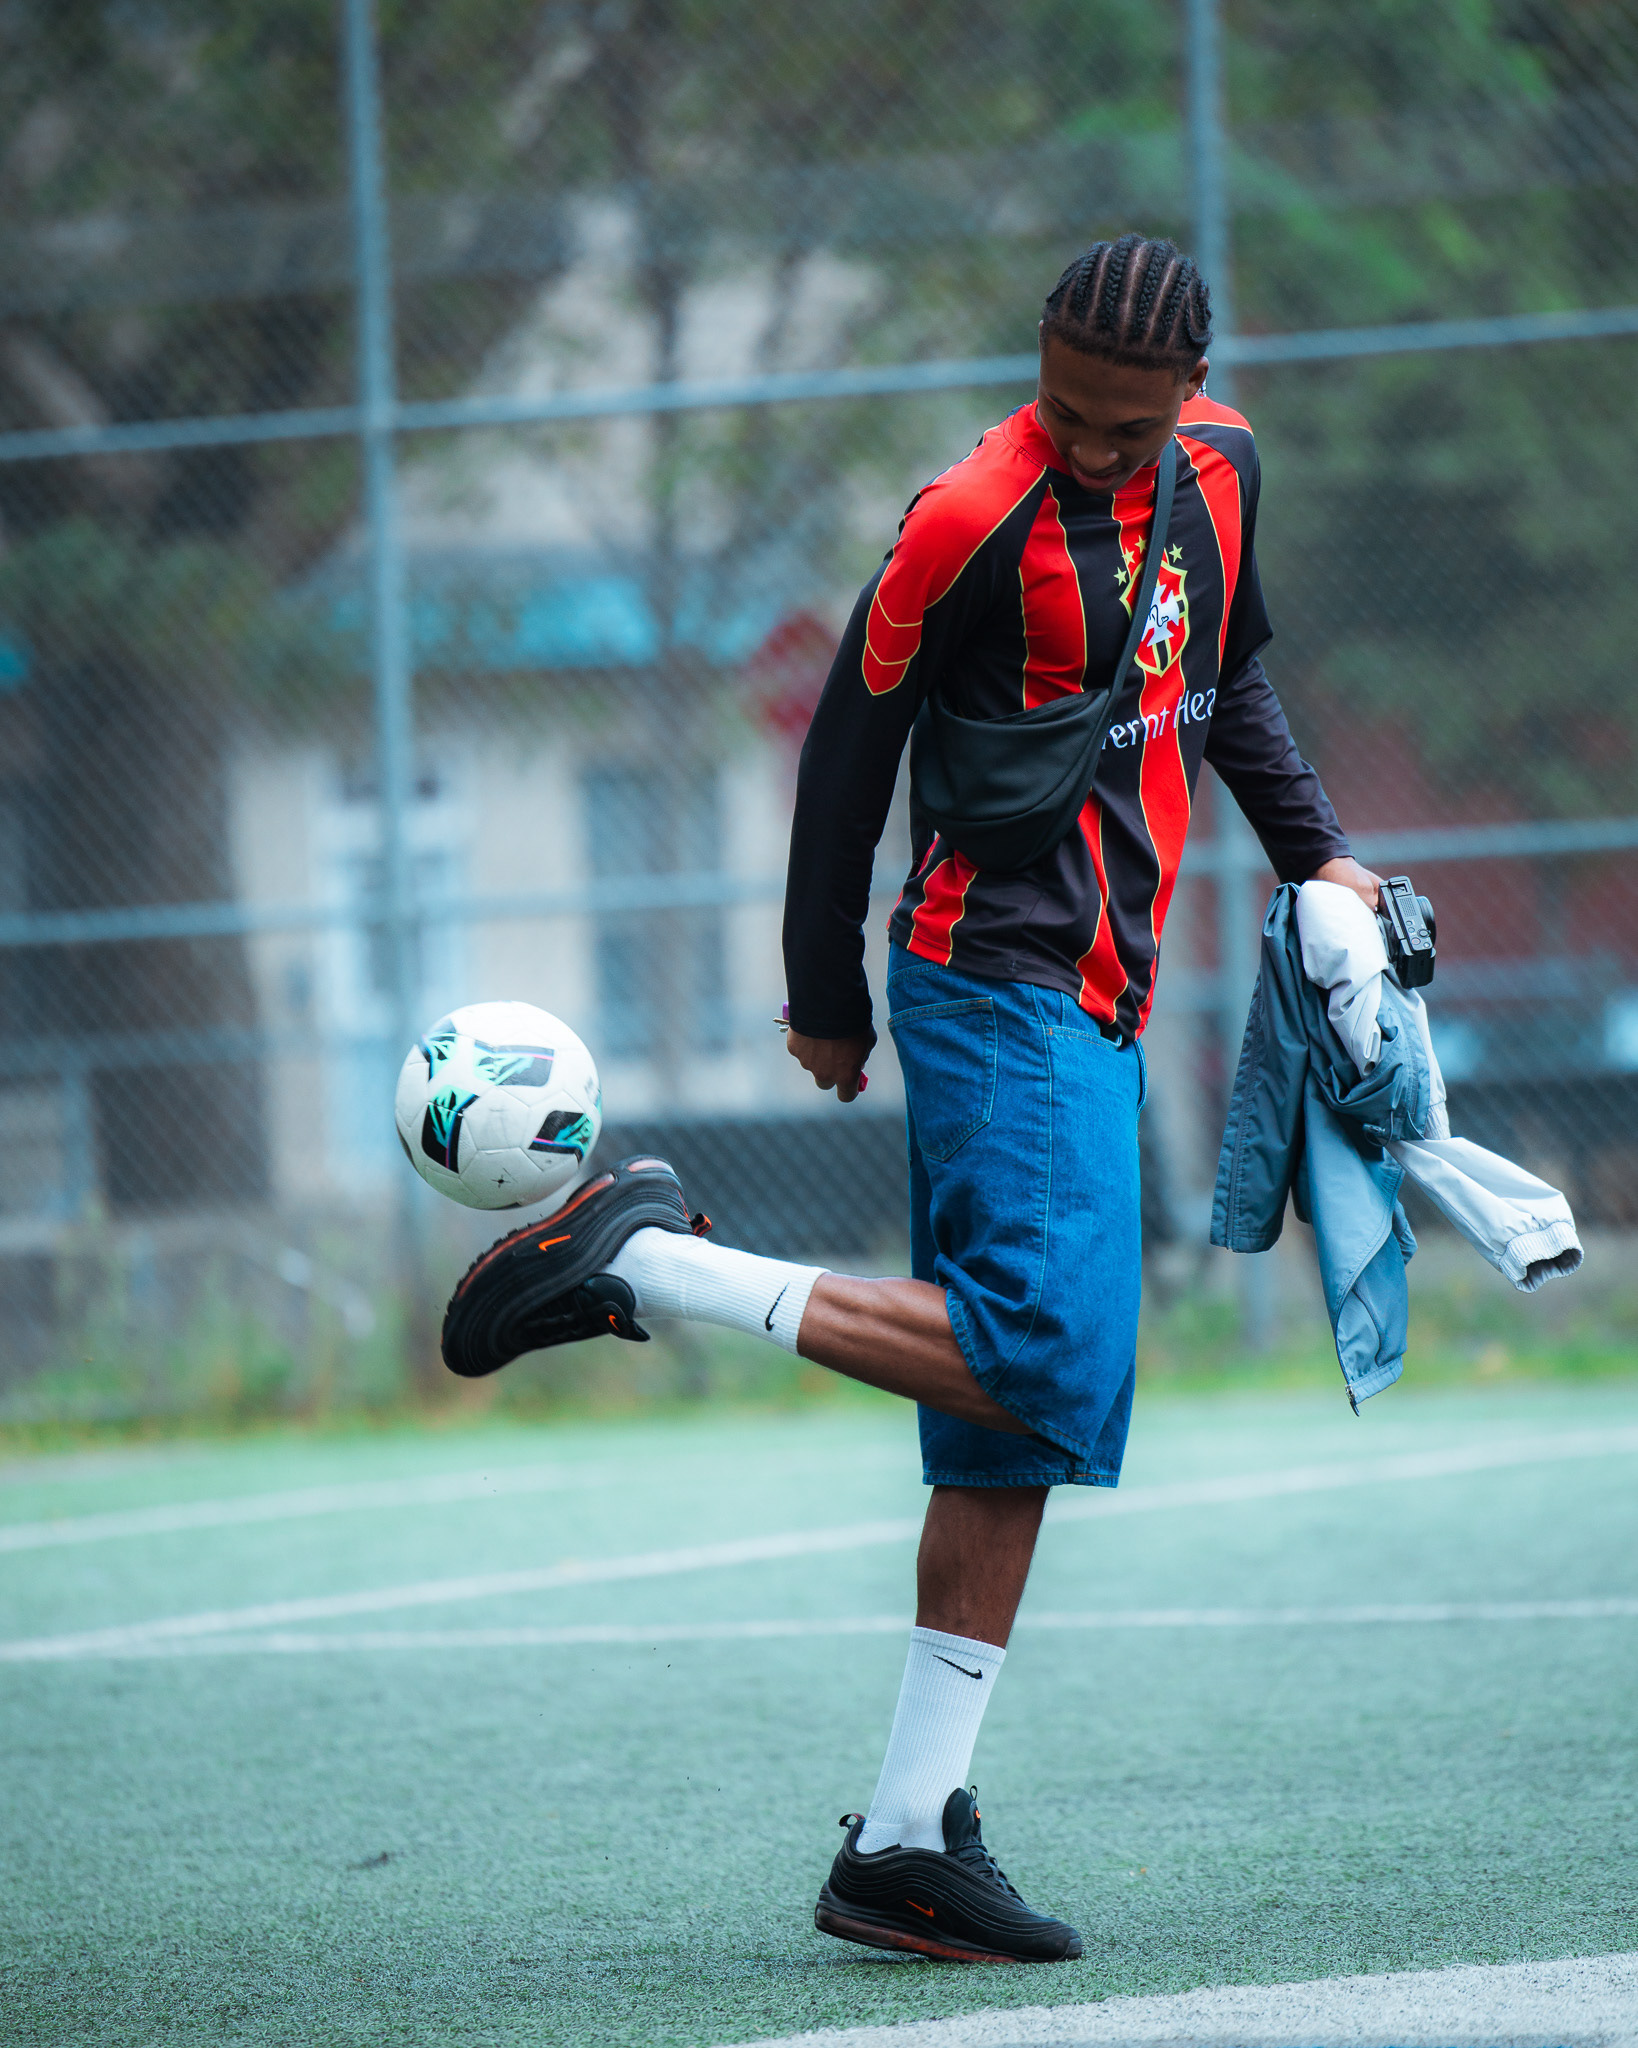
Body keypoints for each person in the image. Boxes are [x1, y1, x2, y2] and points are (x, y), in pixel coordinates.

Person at [442, 232, 1381, 1965]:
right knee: (1043, 1357)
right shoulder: (964, 519)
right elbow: (844, 756)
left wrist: (1318, 855)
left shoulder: (1224, 469)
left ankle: (897, 1842)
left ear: (1190, 392)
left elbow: (1224, 673)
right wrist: (825, 996)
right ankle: (643, 1263)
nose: (1086, 447)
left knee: (1013, 1430)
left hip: (1101, 989)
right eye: (1062, 409)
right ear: (1037, 364)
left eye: (1123, 426)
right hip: (993, 977)